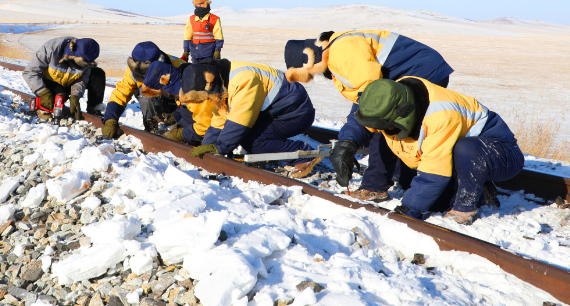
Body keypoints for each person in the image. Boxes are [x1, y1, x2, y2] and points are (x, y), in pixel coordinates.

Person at [284, 30, 453, 201]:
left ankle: (375, 187)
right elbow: (362, 103)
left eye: (311, 74)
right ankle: (405, 179)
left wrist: (349, 142)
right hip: (414, 72)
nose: (315, 77)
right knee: (389, 126)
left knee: (387, 125)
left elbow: (374, 103)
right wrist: (348, 139)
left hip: (423, 71)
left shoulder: (342, 51)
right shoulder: (337, 56)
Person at [353, 77, 523, 224]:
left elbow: (434, 172)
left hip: (499, 152)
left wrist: (408, 210)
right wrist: (347, 143)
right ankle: (479, 185)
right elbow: (368, 123)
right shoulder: (393, 95)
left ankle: (464, 207)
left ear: (403, 113)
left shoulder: (441, 115)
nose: (387, 128)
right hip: (462, 153)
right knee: (436, 204)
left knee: (465, 149)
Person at [186, 60, 316, 158]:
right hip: (278, 111)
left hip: (296, 113)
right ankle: (270, 150)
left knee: (253, 142)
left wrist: (219, 148)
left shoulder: (244, 81)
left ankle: (302, 153)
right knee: (245, 136)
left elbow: (240, 121)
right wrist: (207, 146)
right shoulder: (222, 78)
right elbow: (220, 119)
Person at [102, 41, 186, 138]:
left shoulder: (180, 67)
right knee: (145, 95)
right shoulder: (132, 71)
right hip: (154, 102)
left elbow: (192, 102)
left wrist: (177, 117)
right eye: (142, 75)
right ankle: (152, 128)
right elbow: (121, 93)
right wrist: (110, 119)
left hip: (177, 106)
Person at [139, 60, 222, 146]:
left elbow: (204, 126)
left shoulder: (193, 91)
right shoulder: (185, 76)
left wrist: (180, 135)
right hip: (210, 120)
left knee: (205, 145)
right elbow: (189, 112)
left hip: (220, 122)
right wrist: (177, 119)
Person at [23, 37, 105, 121]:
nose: (79, 68)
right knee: (59, 96)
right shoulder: (51, 49)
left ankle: (94, 109)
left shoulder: (87, 58)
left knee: (98, 74)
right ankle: (43, 107)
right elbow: (30, 72)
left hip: (68, 82)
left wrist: (75, 96)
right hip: (49, 83)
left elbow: (82, 80)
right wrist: (43, 92)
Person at [182, 0, 224, 64]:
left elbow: (219, 36)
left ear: (206, 4)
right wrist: (186, 51)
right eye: (197, 4)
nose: (199, 6)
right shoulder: (191, 19)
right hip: (195, 53)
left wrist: (217, 50)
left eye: (201, 3)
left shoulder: (214, 19)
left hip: (209, 53)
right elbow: (187, 36)